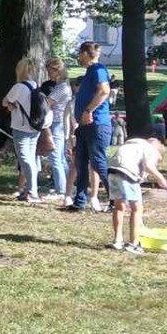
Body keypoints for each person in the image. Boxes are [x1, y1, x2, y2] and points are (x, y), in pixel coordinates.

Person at [106, 134, 167, 254]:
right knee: (136, 208)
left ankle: (117, 240)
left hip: (112, 170)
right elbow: (148, 165)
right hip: (127, 172)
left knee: (119, 206)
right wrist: (160, 178)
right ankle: (134, 244)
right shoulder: (152, 150)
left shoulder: (133, 144)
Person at [69, 42, 114, 212]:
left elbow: (104, 91)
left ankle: (116, 200)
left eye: (80, 53)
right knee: (81, 162)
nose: (79, 57)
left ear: (86, 54)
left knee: (98, 162)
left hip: (97, 124)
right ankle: (79, 202)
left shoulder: (99, 70)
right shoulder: (90, 71)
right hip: (84, 126)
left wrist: (88, 110)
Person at [2, 57, 43, 203]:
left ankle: (32, 191)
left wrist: (11, 105)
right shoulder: (34, 85)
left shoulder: (19, 87)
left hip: (21, 127)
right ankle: (31, 189)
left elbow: (5, 101)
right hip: (35, 127)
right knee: (31, 158)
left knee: (25, 159)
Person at [40, 57, 73, 202]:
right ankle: (67, 187)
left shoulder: (62, 88)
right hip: (59, 123)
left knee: (55, 157)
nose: (48, 74)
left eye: (49, 71)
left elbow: (46, 103)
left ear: (57, 70)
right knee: (60, 157)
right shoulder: (62, 86)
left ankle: (61, 190)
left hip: (56, 123)